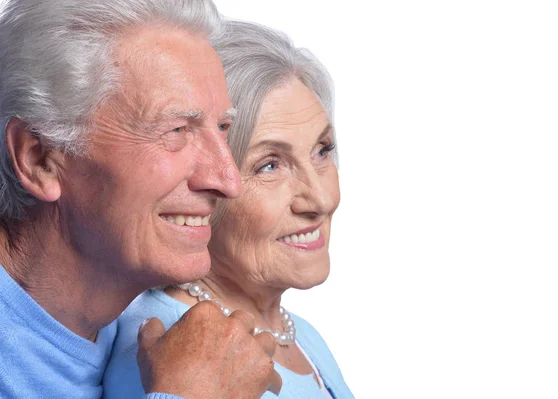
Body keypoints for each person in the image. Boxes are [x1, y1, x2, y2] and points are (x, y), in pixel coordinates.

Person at [0, 1, 281, 398]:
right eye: (177, 129)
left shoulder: (151, 323)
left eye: (222, 127)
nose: (228, 180)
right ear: (40, 158)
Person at [104, 20, 354, 399]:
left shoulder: (299, 334)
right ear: (206, 185)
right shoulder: (161, 356)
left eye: (322, 151)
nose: (320, 199)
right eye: (269, 165)